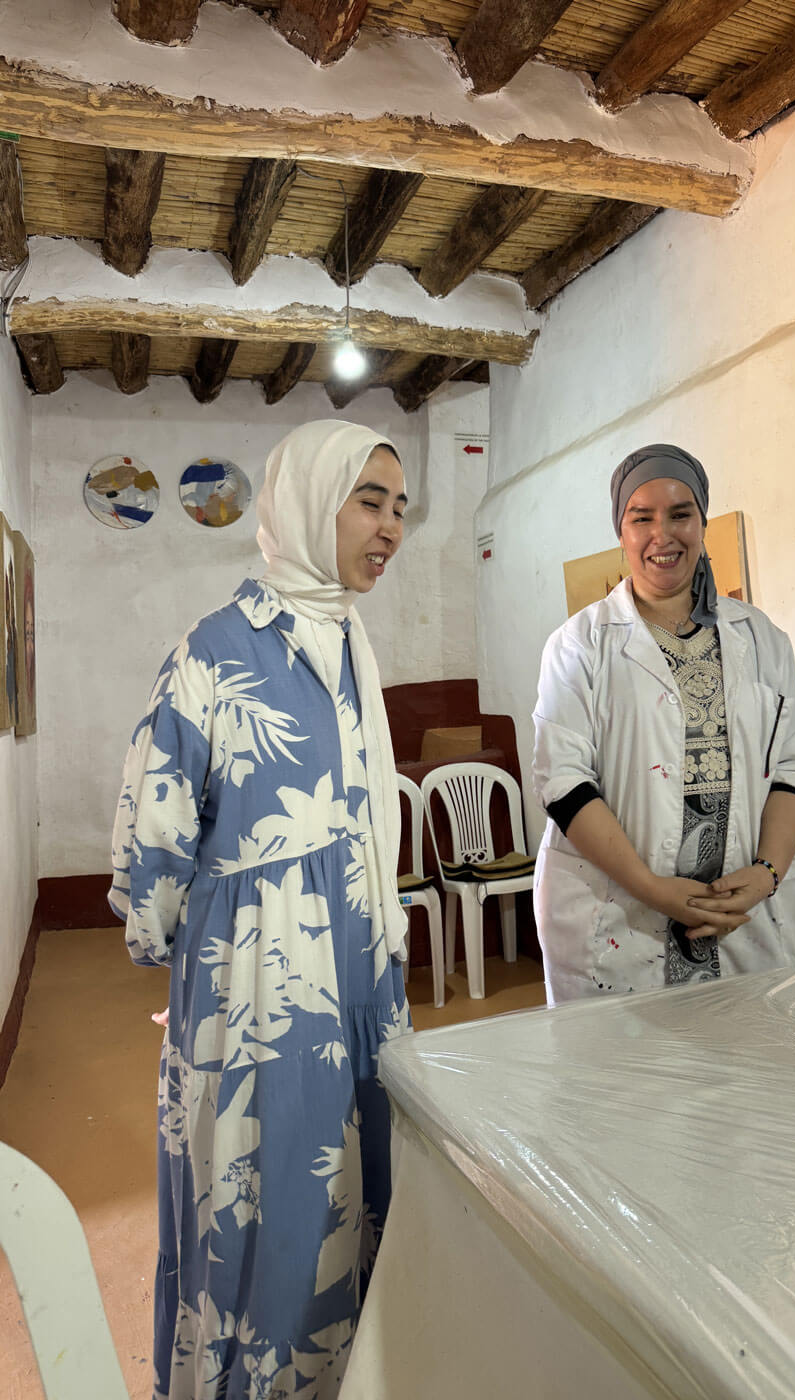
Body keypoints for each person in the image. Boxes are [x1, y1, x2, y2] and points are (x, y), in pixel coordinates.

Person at [109, 420, 411, 1399]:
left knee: (362, 1206)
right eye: (370, 498)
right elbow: (150, 852)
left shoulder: (349, 644)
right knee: (265, 1225)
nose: (390, 525)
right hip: (262, 1002)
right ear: (308, 502)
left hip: (364, 981)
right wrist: (208, 967)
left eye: (399, 505)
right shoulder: (214, 652)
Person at [532, 444, 795, 1005]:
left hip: (744, 916)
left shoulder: (761, 639)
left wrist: (766, 873)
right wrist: (653, 890)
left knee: (748, 1079)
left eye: (680, 514)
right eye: (641, 517)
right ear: (621, 531)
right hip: (621, 916)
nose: (662, 534)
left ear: (702, 523)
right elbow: (562, 782)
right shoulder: (580, 645)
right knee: (627, 1088)